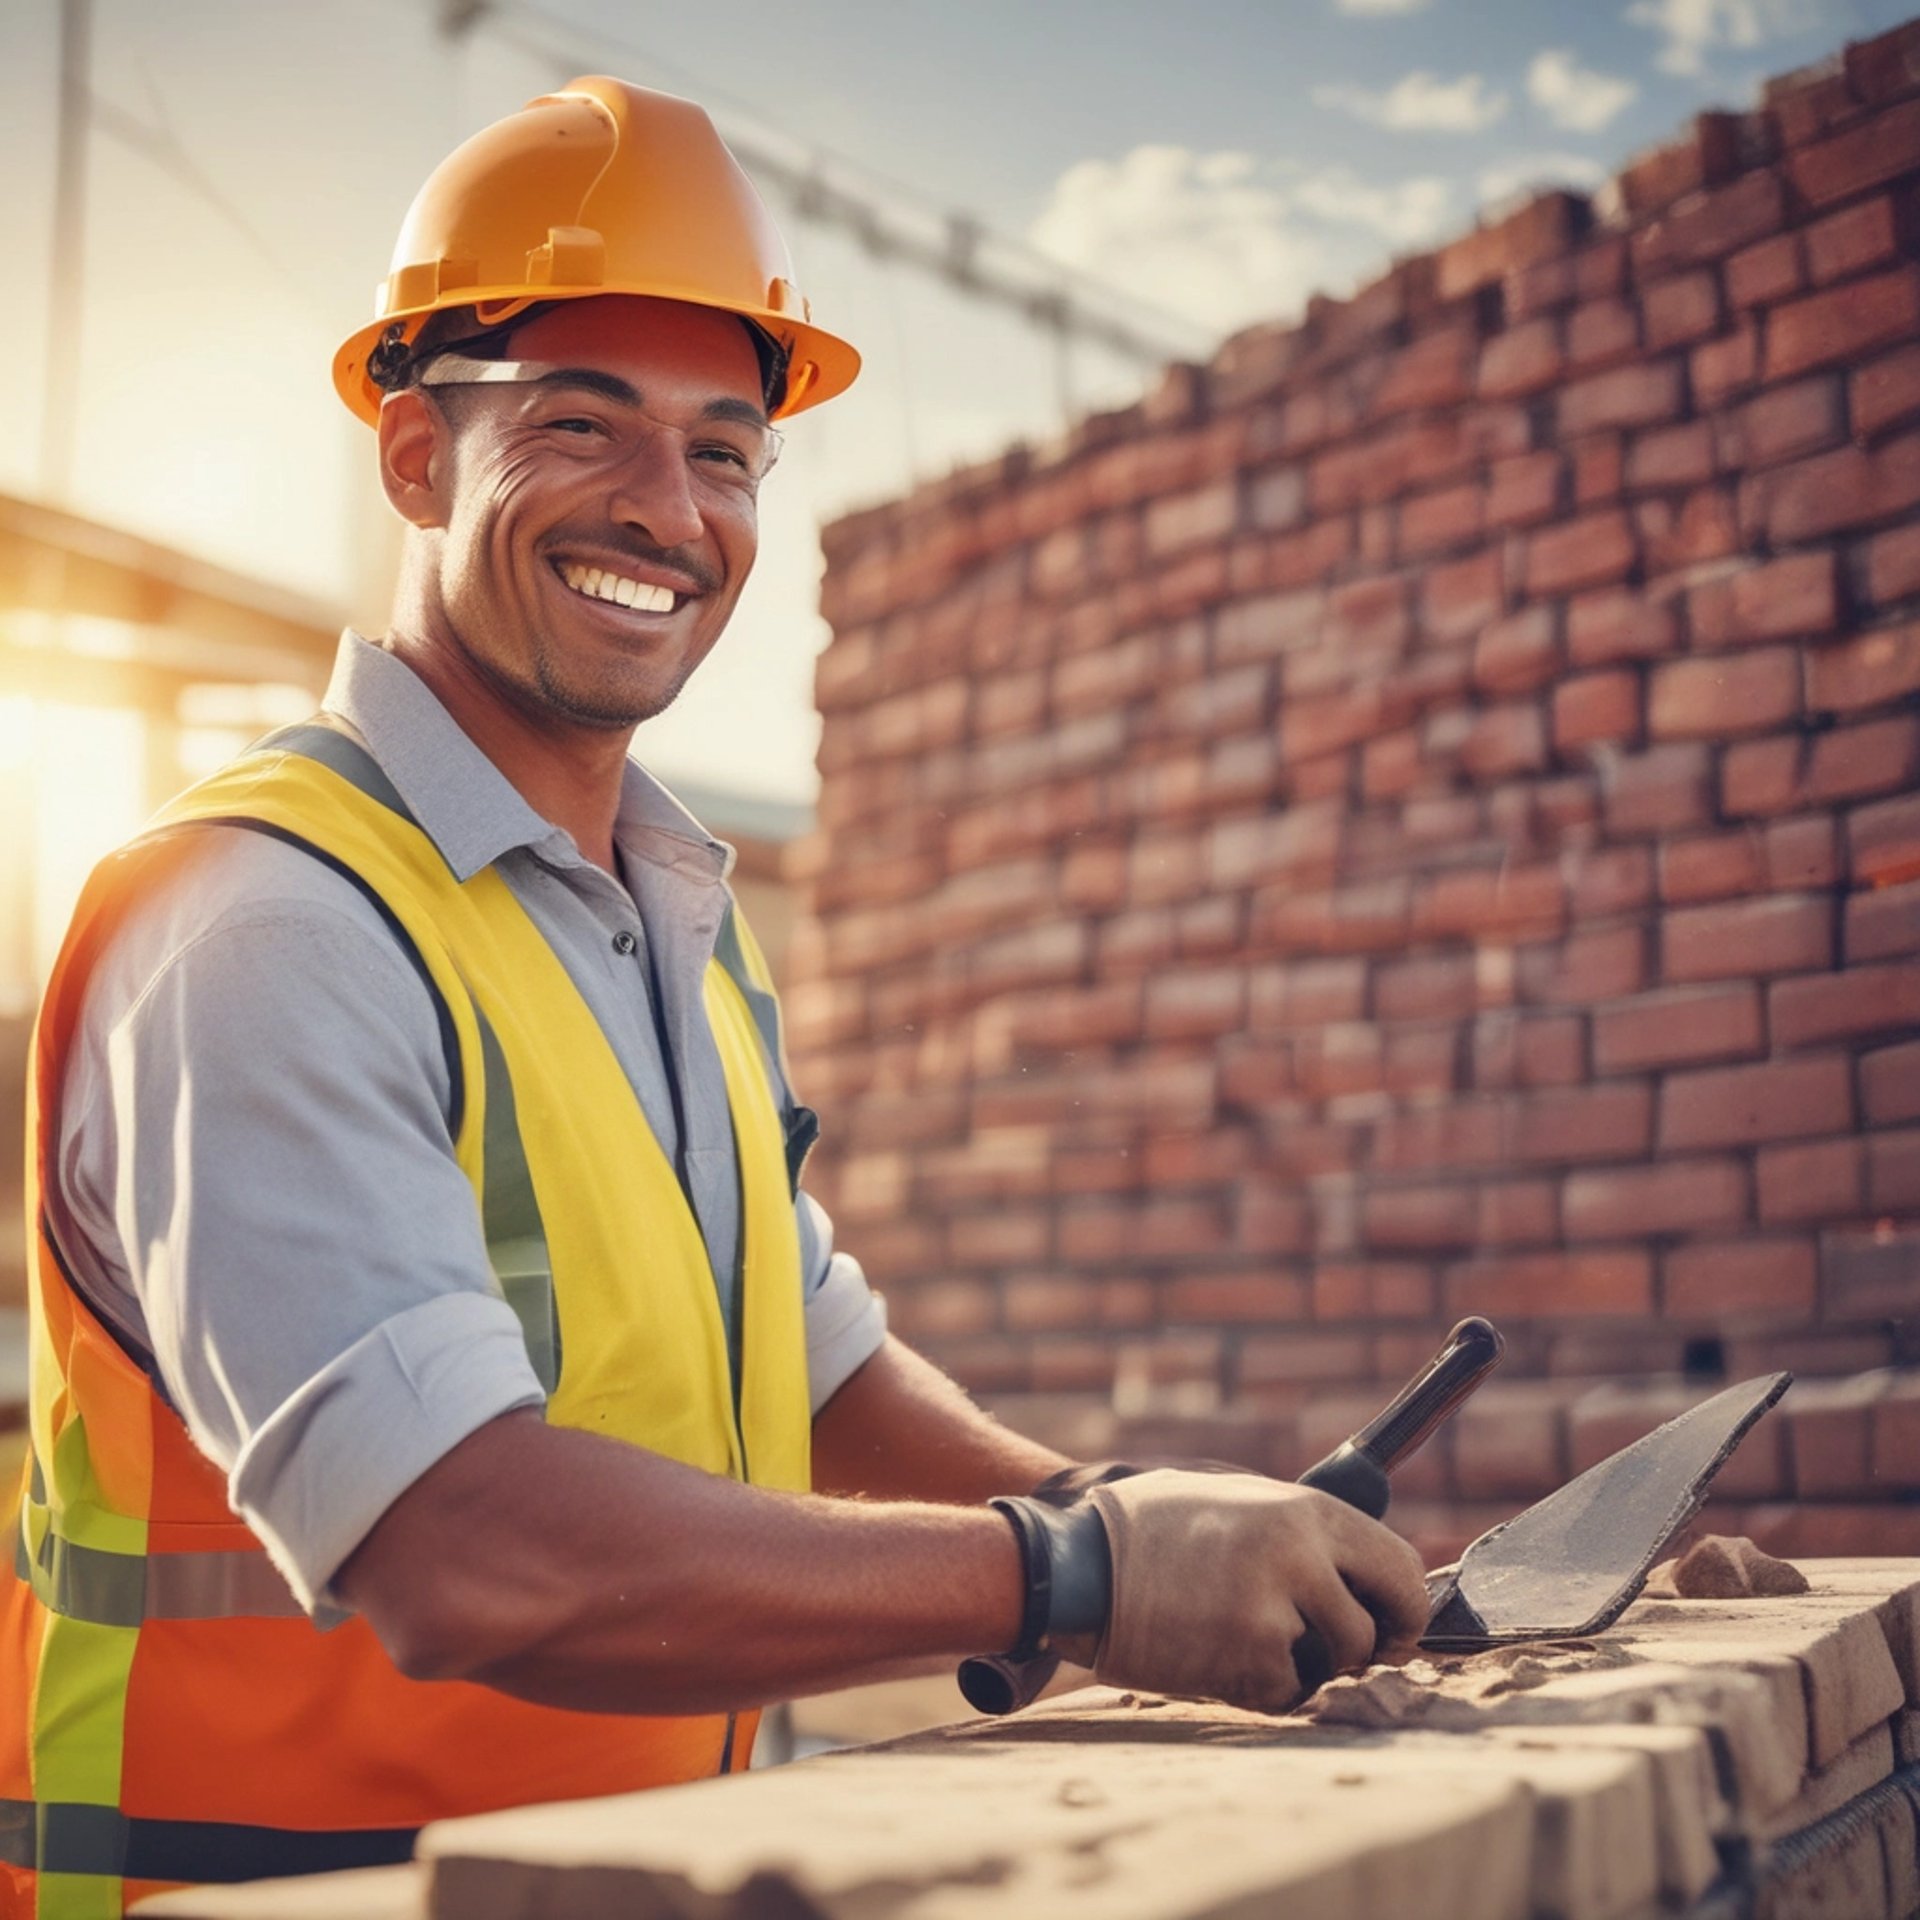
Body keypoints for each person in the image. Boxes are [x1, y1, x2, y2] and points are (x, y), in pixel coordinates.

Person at [0, 76, 1428, 1916]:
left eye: (726, 450)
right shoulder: (268, 921)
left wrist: (1158, 1523)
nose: (667, 510)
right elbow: (458, 1547)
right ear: (416, 456)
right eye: (581, 425)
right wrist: (1076, 1573)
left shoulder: (667, 923)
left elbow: (811, 1356)